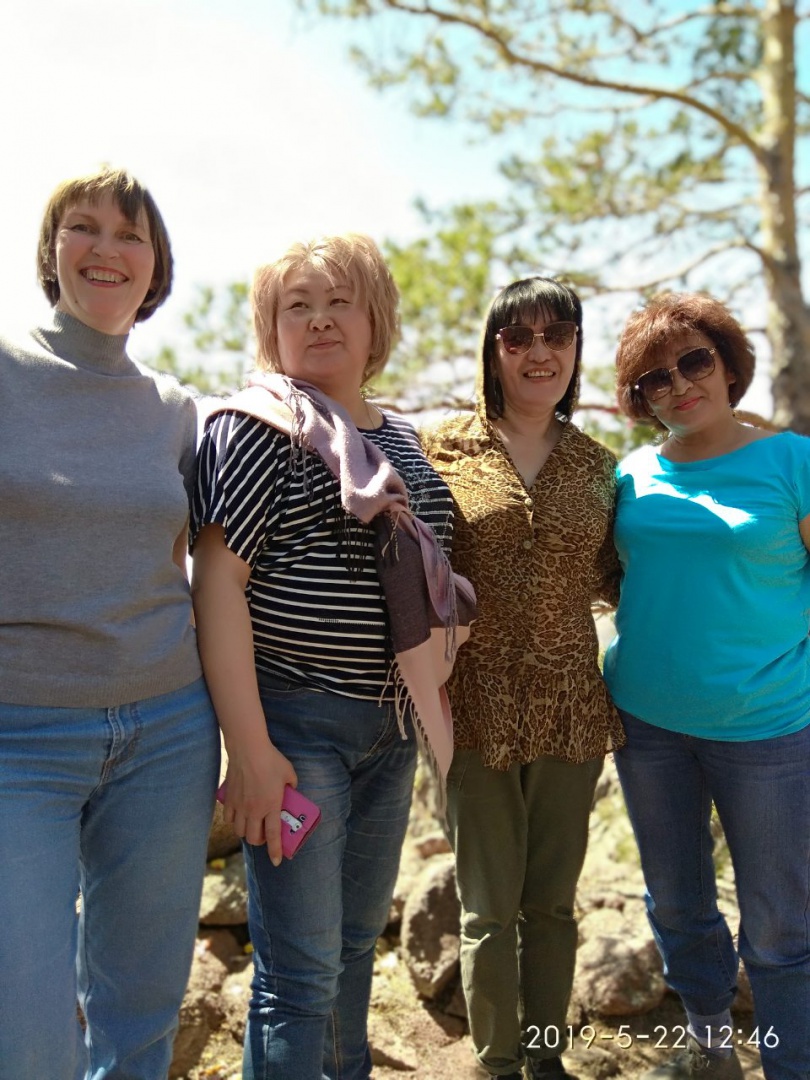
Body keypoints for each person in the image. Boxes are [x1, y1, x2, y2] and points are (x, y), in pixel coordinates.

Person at [190, 233, 474, 1080]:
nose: (319, 320)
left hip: (392, 732)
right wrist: (250, 750)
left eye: (339, 302)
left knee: (354, 950)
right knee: (300, 974)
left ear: (374, 320)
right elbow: (217, 585)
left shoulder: (408, 440)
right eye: (297, 306)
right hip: (295, 728)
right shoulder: (256, 429)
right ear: (270, 329)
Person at [0, 167, 221, 1078]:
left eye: (131, 235)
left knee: (142, 1017)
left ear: (156, 266)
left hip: (167, 732)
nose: (107, 248)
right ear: (52, 251)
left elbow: (198, 566)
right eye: (83, 227)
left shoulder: (175, 411)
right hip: (19, 738)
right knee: (27, 1034)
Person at [421, 276, 624, 1080]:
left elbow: (628, 578)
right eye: (519, 338)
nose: (541, 353)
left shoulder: (601, 467)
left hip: (573, 708)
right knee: (487, 909)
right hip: (473, 706)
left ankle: (547, 1063)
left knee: (551, 908)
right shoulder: (441, 448)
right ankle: (497, 1064)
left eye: (558, 336)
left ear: (576, 349)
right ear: (493, 350)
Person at [604, 293, 810, 1080]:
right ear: (640, 398)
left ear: (728, 365)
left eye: (695, 360)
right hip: (646, 726)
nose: (680, 384)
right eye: (655, 377)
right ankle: (710, 1047)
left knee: (780, 925)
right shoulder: (629, 475)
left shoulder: (792, 462)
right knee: (677, 903)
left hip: (769, 730)